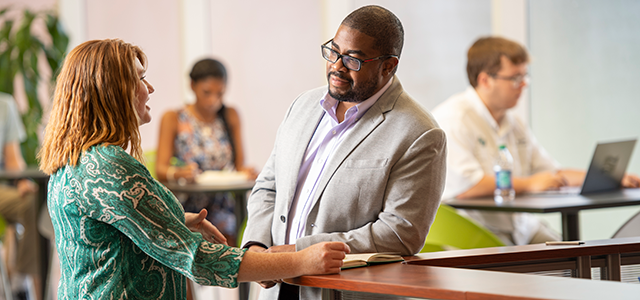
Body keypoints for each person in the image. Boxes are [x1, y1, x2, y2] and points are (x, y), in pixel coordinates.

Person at [37, 39, 350, 300]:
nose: (150, 87)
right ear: (114, 90)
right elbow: (197, 258)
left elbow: (104, 229)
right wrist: (300, 261)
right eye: (140, 79)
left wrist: (173, 219)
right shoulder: (111, 166)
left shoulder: (76, 156)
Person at [241, 5, 446, 299]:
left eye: (353, 60)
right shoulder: (302, 105)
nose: (337, 65)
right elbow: (268, 185)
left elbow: (401, 233)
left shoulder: (420, 133)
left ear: (388, 66)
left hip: (342, 292)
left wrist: (299, 254)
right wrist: (258, 248)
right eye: (333, 52)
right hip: (273, 288)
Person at [432, 36, 640, 245]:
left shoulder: (514, 123)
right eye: (514, 78)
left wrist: (610, 177)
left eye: (524, 76)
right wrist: (530, 183)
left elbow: (552, 174)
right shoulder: (453, 119)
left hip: (522, 226)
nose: (523, 84)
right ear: (485, 80)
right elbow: (468, 185)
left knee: (575, 255)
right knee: (565, 263)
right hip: (476, 230)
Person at [156, 58, 256, 246]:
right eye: (207, 93)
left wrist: (247, 172)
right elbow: (161, 169)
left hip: (222, 202)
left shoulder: (230, 115)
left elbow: (240, 164)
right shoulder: (173, 118)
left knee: (229, 239)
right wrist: (178, 172)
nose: (213, 101)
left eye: (220, 94)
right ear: (192, 86)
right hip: (187, 201)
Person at [0, 92, 41, 299]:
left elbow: (13, 160)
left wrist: (24, 181)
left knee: (35, 201)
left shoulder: (5, 105)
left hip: (1, 190)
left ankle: (20, 279)